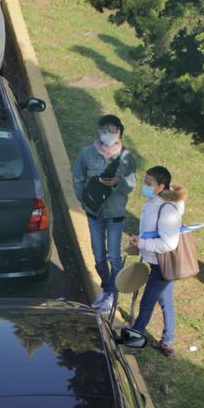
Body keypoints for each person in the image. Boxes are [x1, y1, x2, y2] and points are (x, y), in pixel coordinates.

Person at [72, 114, 136, 314]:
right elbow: (77, 178)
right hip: (94, 214)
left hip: (115, 214)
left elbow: (131, 184)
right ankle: (106, 288)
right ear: (99, 131)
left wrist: (118, 184)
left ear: (119, 134)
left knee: (114, 257)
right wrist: (84, 201)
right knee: (98, 255)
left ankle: (112, 296)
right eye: (105, 129)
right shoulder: (87, 153)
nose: (109, 134)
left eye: (113, 130)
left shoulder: (126, 157)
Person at [128, 166, 187, 356]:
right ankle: (167, 342)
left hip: (162, 266)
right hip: (157, 263)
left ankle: (131, 344)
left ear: (161, 186)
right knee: (165, 301)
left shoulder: (167, 209)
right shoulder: (156, 202)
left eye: (148, 183)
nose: (144, 186)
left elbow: (168, 243)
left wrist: (143, 243)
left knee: (147, 303)